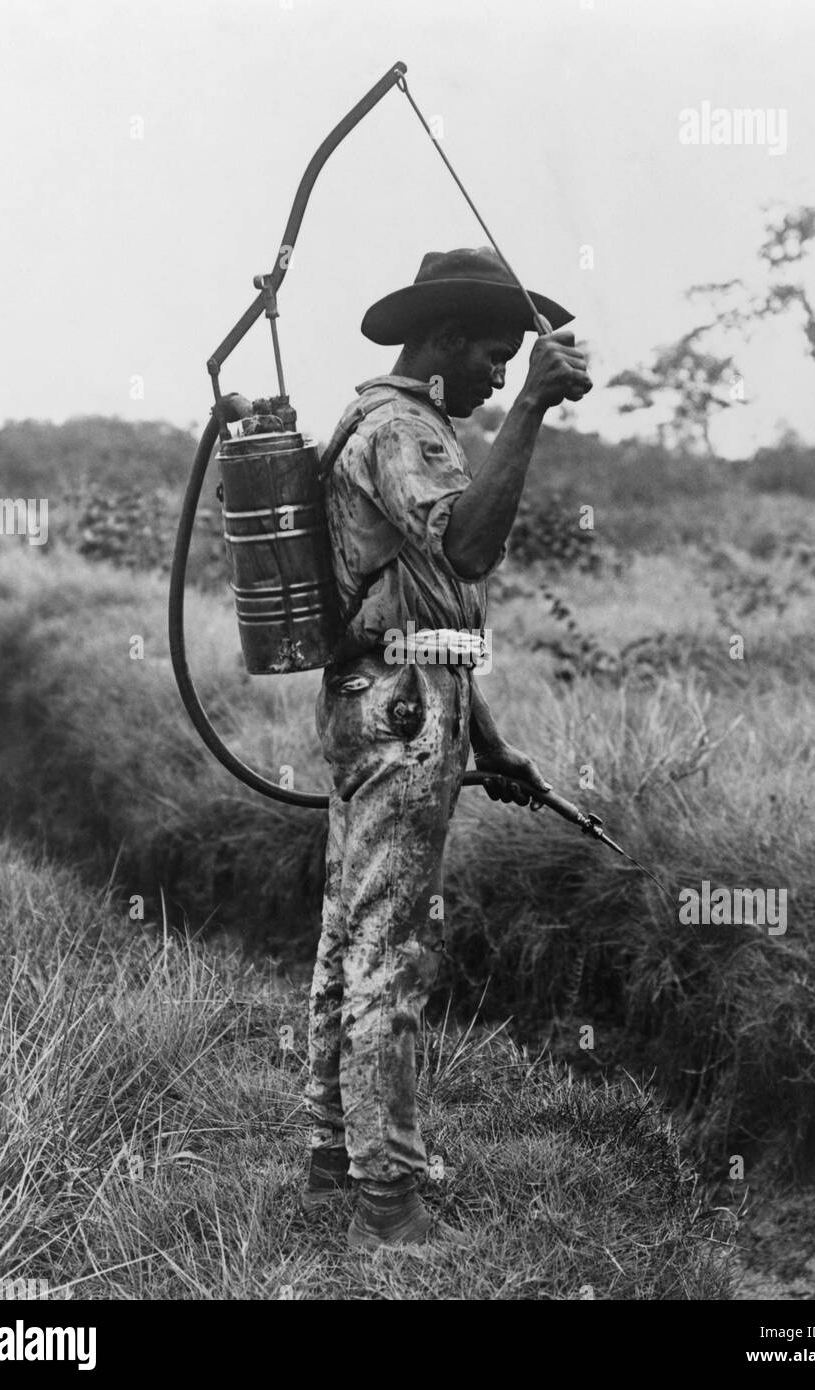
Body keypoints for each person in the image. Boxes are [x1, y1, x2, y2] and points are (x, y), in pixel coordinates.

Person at [303, 246, 592, 1250]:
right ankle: (389, 1196)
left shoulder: (398, 422)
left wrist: (492, 744)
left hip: (397, 698)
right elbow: (464, 548)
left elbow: (429, 609)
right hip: (397, 712)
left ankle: (335, 1154)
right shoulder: (402, 427)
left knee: (351, 929)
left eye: (515, 365)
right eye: (488, 355)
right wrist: (535, 412)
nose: (498, 377)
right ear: (431, 341)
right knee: (390, 948)